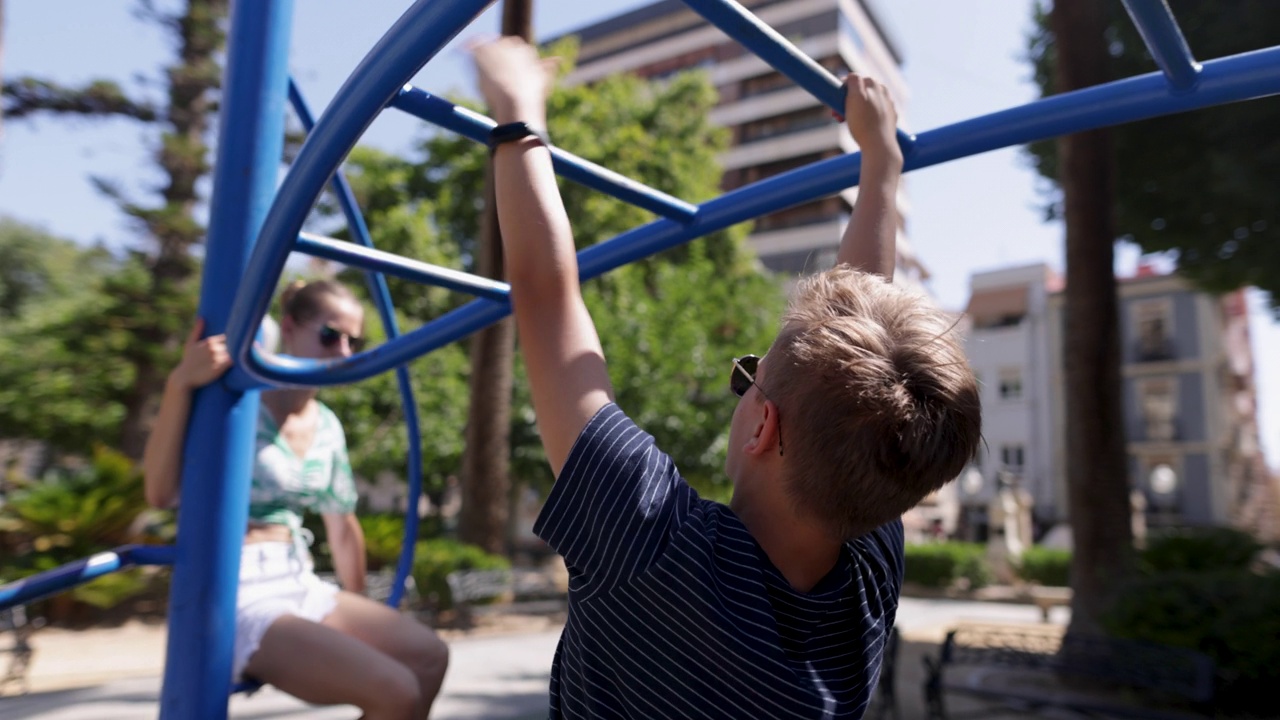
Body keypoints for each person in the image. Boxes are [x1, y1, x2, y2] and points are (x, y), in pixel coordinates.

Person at [473, 37, 982, 718]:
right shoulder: (865, 566)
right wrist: (881, 164)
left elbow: (546, 296)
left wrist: (517, 105)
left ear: (764, 423)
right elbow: (543, 294)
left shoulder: (653, 545)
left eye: (751, 374)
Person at [142, 279, 448, 720]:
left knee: (430, 658)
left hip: (297, 575)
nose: (343, 352)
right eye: (330, 335)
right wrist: (180, 383)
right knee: (396, 692)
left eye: (353, 340)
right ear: (289, 327)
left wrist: (359, 608)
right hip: (238, 585)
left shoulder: (326, 425)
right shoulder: (235, 400)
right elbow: (160, 492)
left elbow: (341, 526)